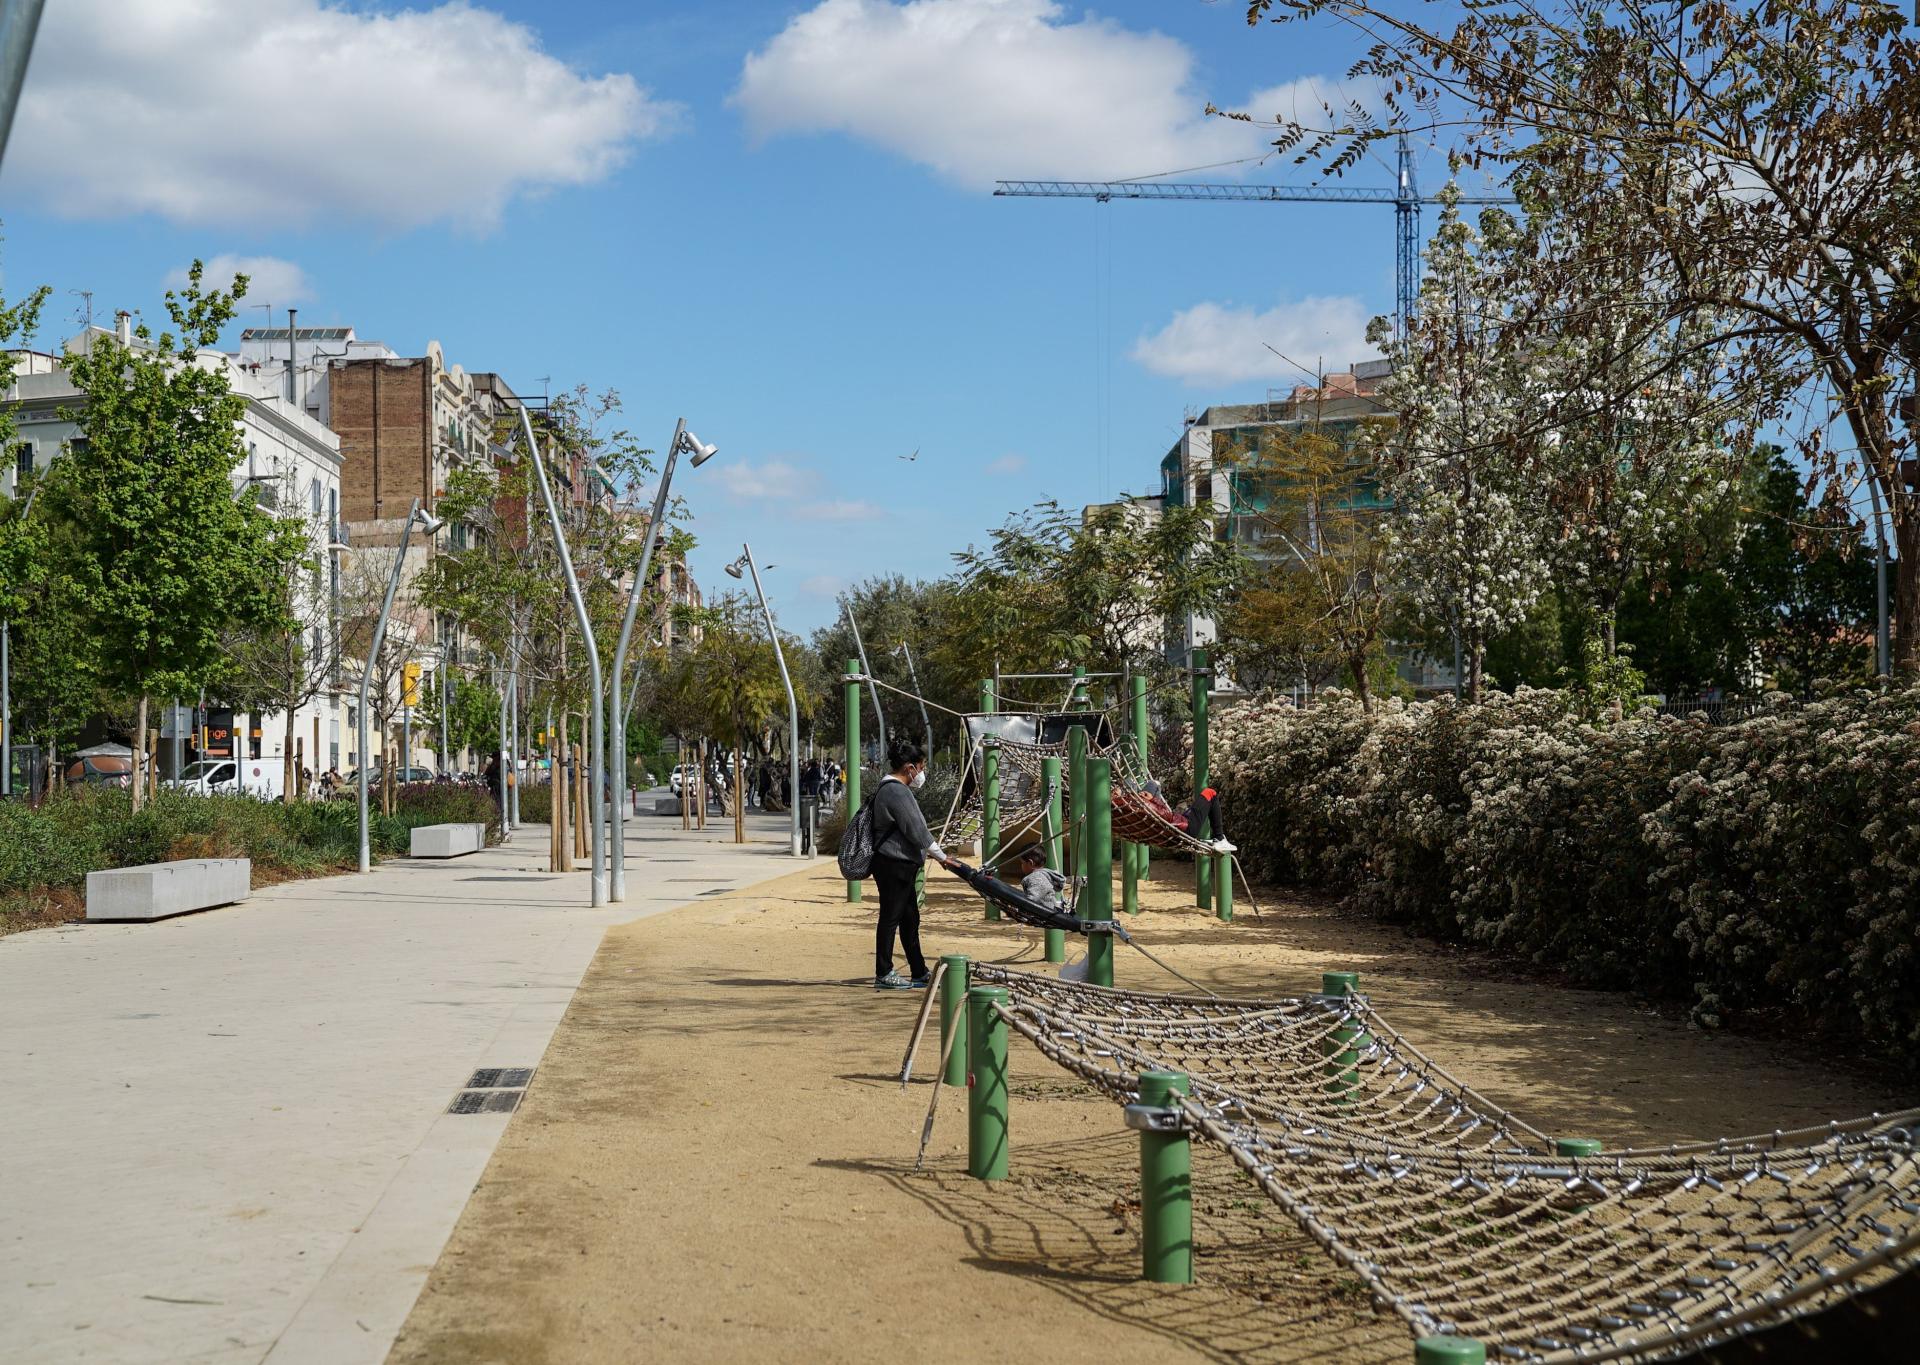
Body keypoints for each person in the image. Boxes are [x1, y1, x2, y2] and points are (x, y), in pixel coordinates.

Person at [870, 737, 953, 990]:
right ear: (910, 768)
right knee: (891, 917)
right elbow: (916, 830)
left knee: (909, 918)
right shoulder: (896, 791)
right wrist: (942, 857)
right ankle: (884, 972)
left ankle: (919, 971)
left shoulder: (891, 788)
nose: (922, 773)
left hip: (899, 864)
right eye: (922, 767)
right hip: (894, 864)